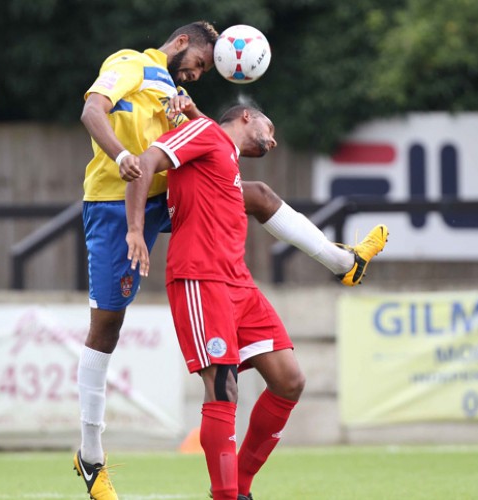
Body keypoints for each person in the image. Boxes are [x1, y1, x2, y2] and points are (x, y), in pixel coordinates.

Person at [75, 21, 386, 500]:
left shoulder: (179, 99)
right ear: (180, 43)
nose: (199, 73)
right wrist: (121, 161)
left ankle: (341, 261)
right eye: (199, 63)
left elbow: (197, 138)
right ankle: (91, 455)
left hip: (168, 198)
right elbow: (94, 111)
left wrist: (191, 112)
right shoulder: (129, 63)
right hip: (119, 201)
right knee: (107, 328)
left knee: (255, 193)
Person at [125, 104, 387, 500]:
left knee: (289, 381)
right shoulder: (206, 134)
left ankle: (242, 489)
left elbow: (257, 193)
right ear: (246, 116)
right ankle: (226, 495)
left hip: (238, 282)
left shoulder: (219, 150)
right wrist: (135, 229)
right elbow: (146, 161)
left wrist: (193, 111)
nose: (274, 138)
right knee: (222, 388)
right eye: (271, 125)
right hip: (201, 278)